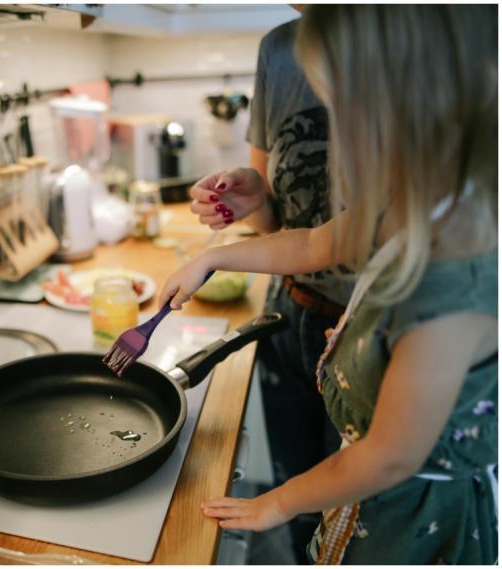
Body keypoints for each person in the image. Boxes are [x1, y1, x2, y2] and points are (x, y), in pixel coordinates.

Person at [162, 4, 497, 564]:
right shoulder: (412, 201)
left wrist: (281, 502)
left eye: (348, 110)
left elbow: (390, 456)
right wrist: (213, 258)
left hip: (413, 523)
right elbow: (314, 243)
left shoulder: (454, 282)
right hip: (365, 499)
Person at [189, 6, 344, 560]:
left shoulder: (432, 37)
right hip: (291, 314)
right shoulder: (280, 48)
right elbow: (285, 226)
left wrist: (218, 261)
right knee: (297, 503)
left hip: (376, 332)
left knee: (355, 522)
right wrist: (249, 197)